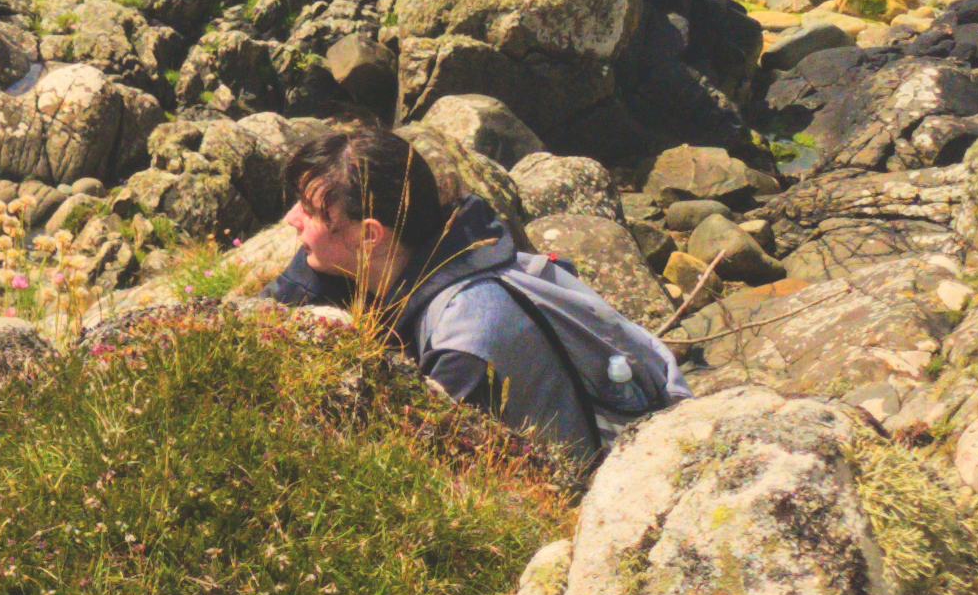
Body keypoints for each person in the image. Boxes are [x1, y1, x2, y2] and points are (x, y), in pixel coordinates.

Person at [275, 118, 686, 473]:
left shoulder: (467, 342)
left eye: (310, 212)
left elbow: (433, 476)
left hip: (575, 501)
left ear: (369, 235)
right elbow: (267, 312)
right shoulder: (419, 256)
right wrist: (310, 276)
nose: (292, 219)